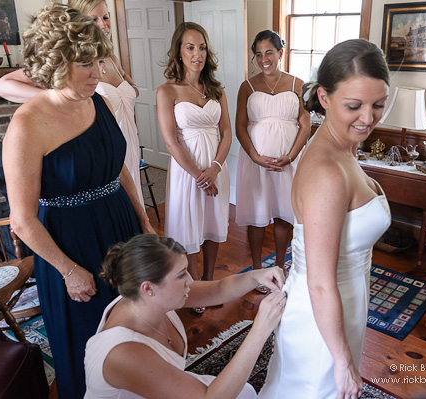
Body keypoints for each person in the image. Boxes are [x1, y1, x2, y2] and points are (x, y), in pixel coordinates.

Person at [2, 4, 154, 398]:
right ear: (56, 61)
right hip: (71, 245)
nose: (99, 73)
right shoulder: (27, 125)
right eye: (86, 64)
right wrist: (69, 270)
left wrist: (142, 217)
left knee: (133, 327)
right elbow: (21, 220)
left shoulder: (97, 102)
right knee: (89, 340)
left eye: (99, 61)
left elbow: (117, 166)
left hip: (119, 227)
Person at [257, 39, 392, 399]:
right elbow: (319, 282)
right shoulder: (326, 172)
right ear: (324, 98)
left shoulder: (344, 148)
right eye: (354, 105)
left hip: (345, 301)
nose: (368, 118)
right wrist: (342, 359)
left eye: (378, 104)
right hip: (321, 315)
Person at [84, 234, 287, 399]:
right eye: (181, 274)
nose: (190, 279)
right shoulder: (123, 353)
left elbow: (218, 289)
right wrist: (260, 330)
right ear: (148, 288)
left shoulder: (146, 299)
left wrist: (256, 276)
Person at [0, 0, 145, 206]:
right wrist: (56, 95)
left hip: (121, 139)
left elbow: (131, 89)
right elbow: (2, 85)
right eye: (94, 19)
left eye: (106, 17)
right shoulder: (64, 60)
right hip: (91, 144)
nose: (103, 25)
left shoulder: (111, 60)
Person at [157, 22, 232, 313]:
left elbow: (226, 133)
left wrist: (214, 168)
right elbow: (172, 141)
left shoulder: (217, 90)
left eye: (201, 47)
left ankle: (210, 281)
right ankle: (193, 288)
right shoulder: (167, 91)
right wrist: (199, 175)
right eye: (190, 47)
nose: (197, 54)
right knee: (191, 228)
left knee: (212, 224)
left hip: (215, 167)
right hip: (186, 171)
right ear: (178, 51)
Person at [235, 30, 310, 284]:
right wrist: (255, 156)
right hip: (255, 162)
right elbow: (239, 127)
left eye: (269, 52)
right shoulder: (247, 87)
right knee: (257, 214)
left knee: (283, 214)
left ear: (280, 52)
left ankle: (279, 266)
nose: (264, 59)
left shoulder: (297, 85)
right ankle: (257, 269)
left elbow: (305, 125)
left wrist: (290, 156)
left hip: (287, 163)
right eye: (258, 54)